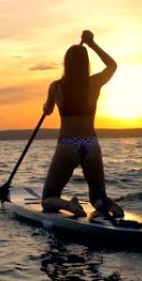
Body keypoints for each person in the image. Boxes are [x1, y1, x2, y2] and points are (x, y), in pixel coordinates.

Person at [41, 30, 124, 218]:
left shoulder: (56, 87)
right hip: (91, 145)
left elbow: (48, 110)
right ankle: (109, 205)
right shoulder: (94, 83)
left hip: (68, 145)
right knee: (97, 198)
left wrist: (46, 105)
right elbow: (112, 65)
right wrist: (92, 44)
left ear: (66, 64)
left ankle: (70, 206)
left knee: (48, 199)